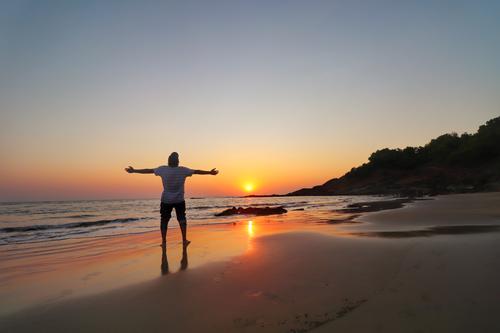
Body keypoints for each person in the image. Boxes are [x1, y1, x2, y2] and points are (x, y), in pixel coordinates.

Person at [125, 152, 218, 246]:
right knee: (182, 219)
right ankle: (184, 240)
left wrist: (134, 170)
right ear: (177, 161)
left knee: (164, 220)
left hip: (166, 200)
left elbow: (148, 170)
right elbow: (197, 171)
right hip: (179, 200)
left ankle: (164, 242)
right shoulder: (183, 170)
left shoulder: (162, 169)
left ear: (168, 160)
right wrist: (210, 172)